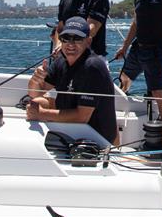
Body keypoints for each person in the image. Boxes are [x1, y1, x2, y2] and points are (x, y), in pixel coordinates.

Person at [26, 17, 117, 145]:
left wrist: (42, 114)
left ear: (88, 41)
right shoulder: (61, 62)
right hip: (70, 131)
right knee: (36, 102)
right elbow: (35, 93)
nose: (70, 44)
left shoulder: (92, 67)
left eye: (77, 39)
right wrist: (35, 80)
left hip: (96, 139)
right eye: (66, 38)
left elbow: (82, 117)